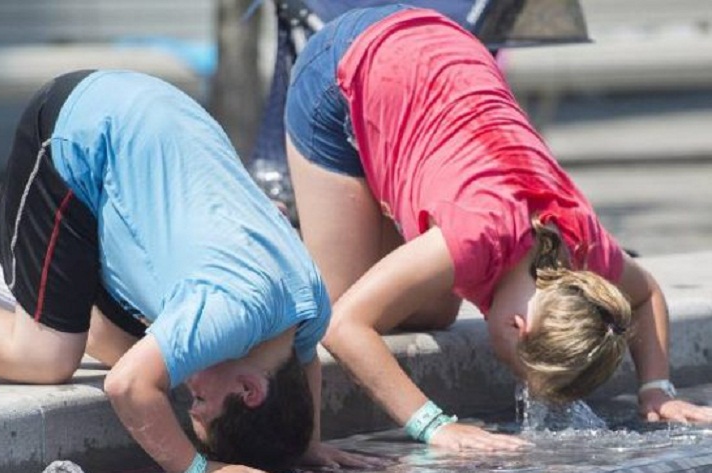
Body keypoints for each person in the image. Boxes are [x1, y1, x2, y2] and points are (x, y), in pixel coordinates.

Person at [0, 69, 376, 473]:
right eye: (201, 407)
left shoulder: (304, 305)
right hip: (76, 130)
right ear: (250, 388)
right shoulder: (228, 310)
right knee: (45, 357)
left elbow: (305, 361)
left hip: (148, 114)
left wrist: (305, 445)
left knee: (121, 347)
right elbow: (129, 391)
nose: (189, 397)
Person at [283, 5, 712, 450]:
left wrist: (656, 389)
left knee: (433, 311)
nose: (518, 384)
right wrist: (434, 425)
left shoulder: (580, 247)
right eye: (517, 373)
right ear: (517, 326)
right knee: (331, 306)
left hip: (445, 51)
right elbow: (345, 328)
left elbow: (645, 294)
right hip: (344, 65)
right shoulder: (474, 238)